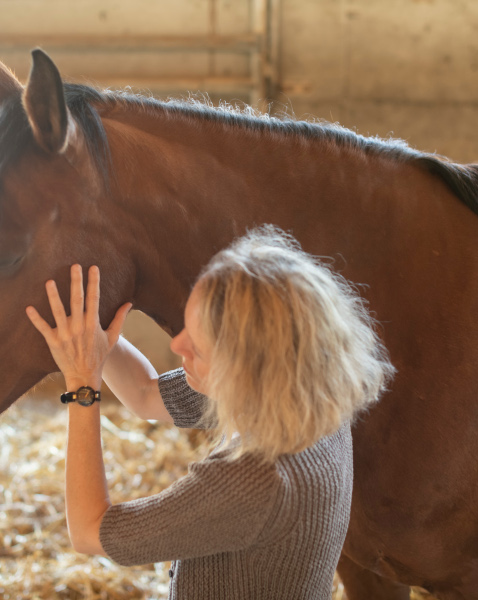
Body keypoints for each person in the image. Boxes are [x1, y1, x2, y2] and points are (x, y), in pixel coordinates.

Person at [26, 227, 394, 599]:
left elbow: (90, 530)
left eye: (199, 349)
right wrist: (91, 334)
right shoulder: (306, 389)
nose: (177, 345)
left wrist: (82, 384)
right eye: (189, 325)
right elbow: (144, 393)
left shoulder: (256, 480)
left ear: (242, 368)